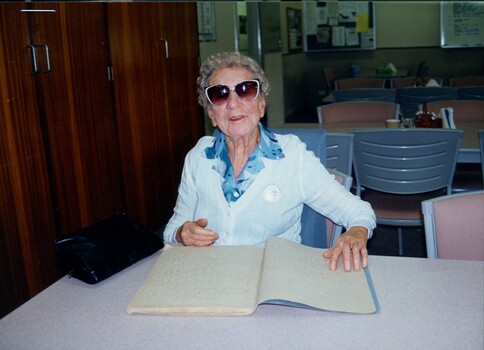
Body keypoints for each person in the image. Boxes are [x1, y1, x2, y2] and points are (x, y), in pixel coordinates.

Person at [163, 51, 376, 272]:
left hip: (276, 281)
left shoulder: (293, 157)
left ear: (262, 104)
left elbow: (359, 212)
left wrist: (357, 232)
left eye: (246, 90)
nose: (233, 103)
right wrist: (182, 233)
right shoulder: (198, 157)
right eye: (220, 94)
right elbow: (171, 231)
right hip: (211, 278)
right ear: (212, 114)